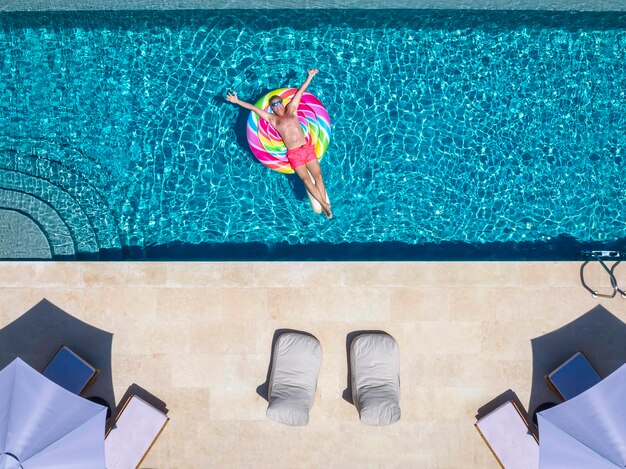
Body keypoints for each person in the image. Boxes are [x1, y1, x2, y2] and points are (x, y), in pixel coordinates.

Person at [226, 69, 332, 218]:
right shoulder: (273, 119)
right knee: (306, 181)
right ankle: (324, 204)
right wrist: (237, 101)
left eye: (278, 102)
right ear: (272, 108)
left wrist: (310, 77)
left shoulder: (292, 110)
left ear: (283, 103)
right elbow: (253, 108)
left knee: (319, 176)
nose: (277, 106)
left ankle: (324, 203)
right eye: (274, 105)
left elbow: (300, 92)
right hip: (294, 154)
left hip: (306, 147)